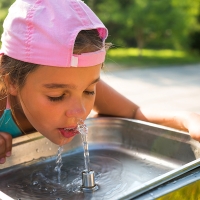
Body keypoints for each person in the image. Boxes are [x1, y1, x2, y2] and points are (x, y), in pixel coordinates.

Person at [0, 0, 200, 165]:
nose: (79, 112)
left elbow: (132, 113)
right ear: (12, 82)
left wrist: (186, 118)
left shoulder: (72, 81)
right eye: (57, 96)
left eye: (89, 91)